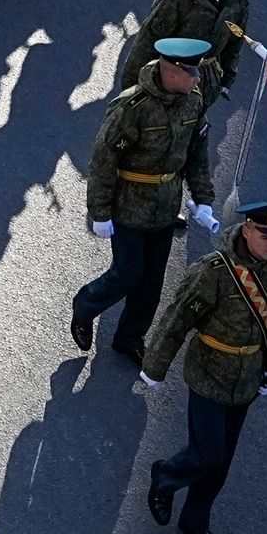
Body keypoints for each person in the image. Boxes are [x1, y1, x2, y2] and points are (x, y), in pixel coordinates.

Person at [138, 201, 267, 534]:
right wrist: (156, 367)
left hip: (248, 376)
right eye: (265, 234)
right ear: (246, 230)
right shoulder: (214, 271)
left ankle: (196, 519)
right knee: (208, 452)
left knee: (222, 459)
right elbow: (177, 319)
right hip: (209, 371)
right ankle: (165, 476)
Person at [70, 38, 218, 362]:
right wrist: (100, 212)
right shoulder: (131, 108)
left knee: (152, 280)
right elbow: (104, 160)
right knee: (128, 273)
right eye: (192, 72)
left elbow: (197, 153)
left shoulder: (193, 100)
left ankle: (130, 337)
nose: (197, 79)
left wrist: (203, 197)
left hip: (166, 207)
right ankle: (85, 305)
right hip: (129, 206)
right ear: (172, 71)